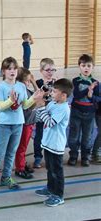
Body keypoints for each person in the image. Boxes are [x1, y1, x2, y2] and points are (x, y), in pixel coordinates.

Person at [0, 57, 43, 194]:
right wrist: (10, 101)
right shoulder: (1, 86)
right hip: (5, 125)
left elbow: (25, 105)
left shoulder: (21, 86)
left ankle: (6, 177)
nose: (12, 71)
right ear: (3, 71)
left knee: (11, 153)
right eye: (9, 68)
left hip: (18, 124)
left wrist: (34, 98)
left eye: (14, 68)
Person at [33, 78, 73, 207]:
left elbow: (50, 122)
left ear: (63, 95)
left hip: (56, 144)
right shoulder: (53, 103)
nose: (51, 93)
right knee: (50, 168)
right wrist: (37, 107)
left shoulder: (63, 108)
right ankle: (50, 188)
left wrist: (41, 106)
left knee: (57, 171)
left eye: (55, 91)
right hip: (48, 143)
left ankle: (58, 195)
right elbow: (42, 118)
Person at [68, 54, 99, 167]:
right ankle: (73, 155)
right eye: (83, 65)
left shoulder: (96, 83)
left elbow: (97, 98)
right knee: (74, 136)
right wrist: (88, 89)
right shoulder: (76, 81)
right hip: (76, 112)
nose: (86, 68)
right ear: (79, 67)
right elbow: (76, 95)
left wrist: (91, 96)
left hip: (89, 114)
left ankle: (85, 156)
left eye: (89, 66)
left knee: (87, 137)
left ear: (93, 67)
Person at [14, 68, 39, 179]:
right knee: (22, 146)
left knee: (24, 146)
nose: (29, 82)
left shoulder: (25, 89)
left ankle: (22, 164)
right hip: (25, 123)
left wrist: (33, 82)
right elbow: (29, 106)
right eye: (28, 80)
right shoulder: (21, 91)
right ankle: (19, 168)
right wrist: (36, 103)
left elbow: (37, 93)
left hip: (29, 122)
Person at [33, 58, 57, 168]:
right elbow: (35, 97)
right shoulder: (38, 83)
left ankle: (51, 156)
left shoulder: (57, 83)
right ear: (41, 71)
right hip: (41, 112)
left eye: (53, 70)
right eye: (47, 70)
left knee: (52, 134)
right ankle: (38, 156)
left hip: (53, 112)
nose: (50, 72)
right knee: (39, 135)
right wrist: (45, 91)